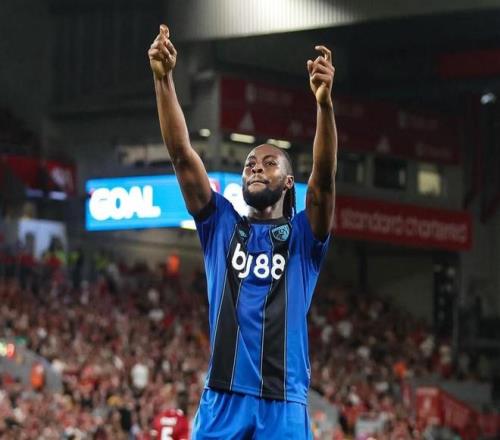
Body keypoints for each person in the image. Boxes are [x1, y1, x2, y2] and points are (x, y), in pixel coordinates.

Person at [149, 24, 337, 439]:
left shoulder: (304, 237)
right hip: (223, 397)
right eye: (250, 163)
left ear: (289, 183)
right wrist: (163, 80)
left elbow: (323, 182)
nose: (256, 167)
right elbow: (181, 155)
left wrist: (324, 106)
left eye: (269, 163)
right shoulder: (220, 225)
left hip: (283, 401)